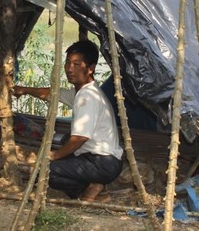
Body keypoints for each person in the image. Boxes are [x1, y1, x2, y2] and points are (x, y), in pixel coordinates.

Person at [13, 40, 123, 201]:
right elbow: (52, 94)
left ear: (90, 68)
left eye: (77, 64)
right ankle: (96, 185)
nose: (70, 69)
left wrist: (54, 155)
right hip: (102, 160)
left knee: (45, 170)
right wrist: (25, 90)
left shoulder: (87, 97)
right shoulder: (84, 91)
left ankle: (89, 190)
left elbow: (80, 138)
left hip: (102, 163)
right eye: (68, 63)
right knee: (63, 143)